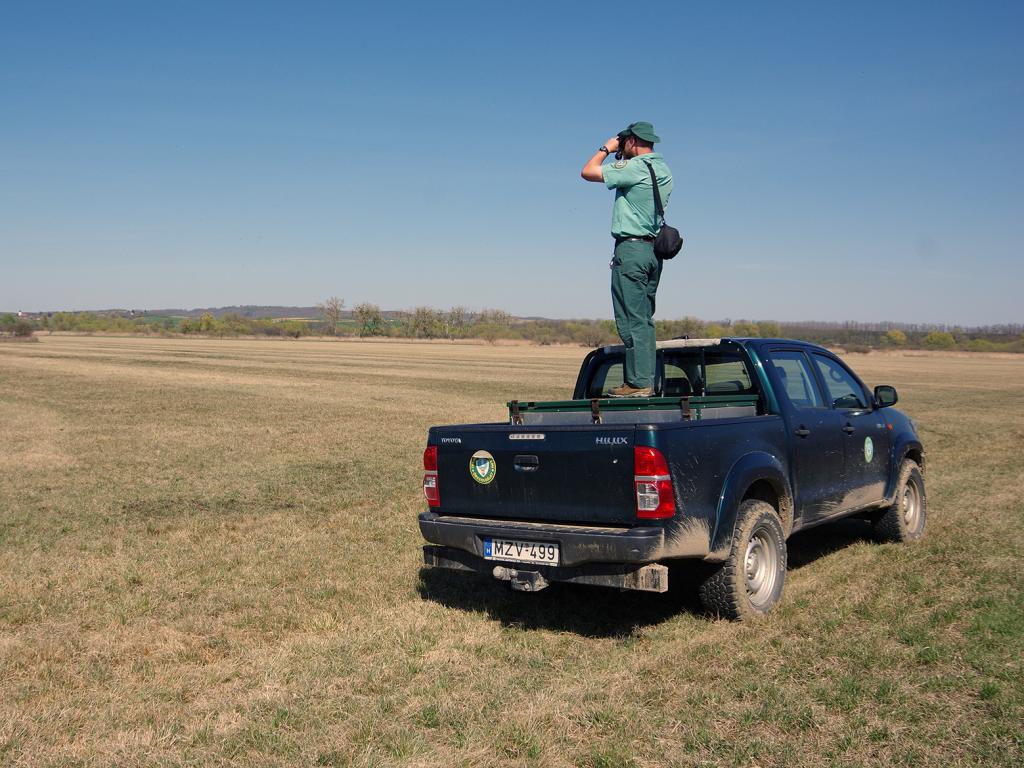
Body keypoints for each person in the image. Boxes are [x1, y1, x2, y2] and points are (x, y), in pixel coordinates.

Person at [581, 121, 673, 397]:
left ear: (632, 141)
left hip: (631, 250)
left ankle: (637, 383)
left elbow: (587, 172)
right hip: (652, 252)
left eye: (625, 142)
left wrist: (606, 148)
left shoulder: (634, 168)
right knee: (644, 319)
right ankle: (644, 378)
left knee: (630, 319)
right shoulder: (664, 169)